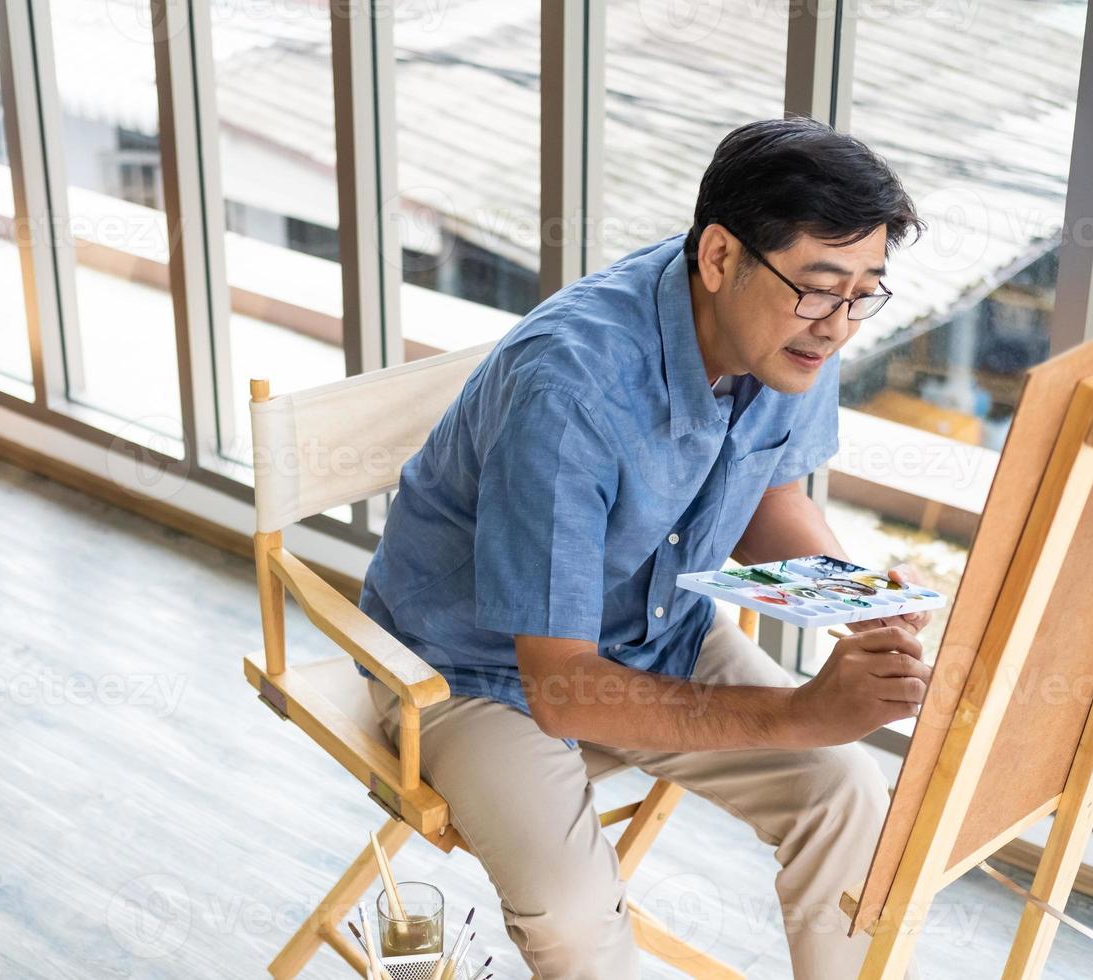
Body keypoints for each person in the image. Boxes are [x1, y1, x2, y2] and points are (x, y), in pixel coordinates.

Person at [359, 116, 929, 979]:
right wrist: (803, 712)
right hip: (472, 670)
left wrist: (852, 600)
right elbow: (557, 686)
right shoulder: (571, 387)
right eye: (821, 290)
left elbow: (764, 492)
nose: (840, 324)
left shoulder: (793, 319)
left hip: (660, 628)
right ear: (718, 258)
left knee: (848, 795)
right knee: (574, 913)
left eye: (864, 292)